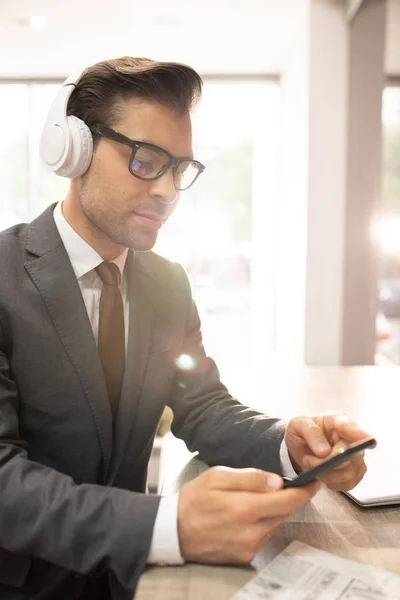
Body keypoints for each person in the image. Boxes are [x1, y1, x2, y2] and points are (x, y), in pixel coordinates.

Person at [0, 57, 373, 600]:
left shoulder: (166, 283)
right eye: (147, 160)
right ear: (72, 149)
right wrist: (164, 525)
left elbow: (201, 407)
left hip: (131, 582)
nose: (167, 191)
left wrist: (288, 443)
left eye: (181, 169)